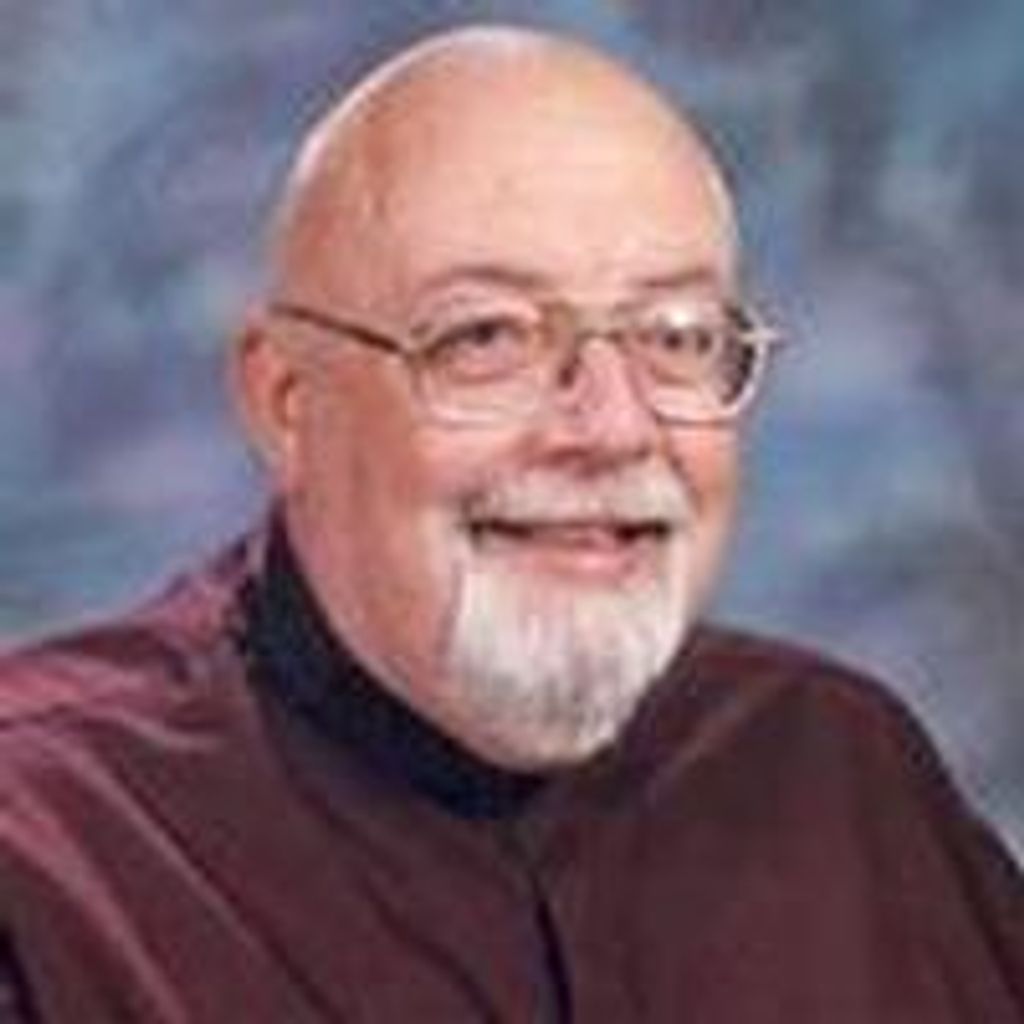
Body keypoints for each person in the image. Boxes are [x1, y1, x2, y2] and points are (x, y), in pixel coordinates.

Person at [0, 24, 1021, 1024]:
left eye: (676, 336)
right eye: (487, 337)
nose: (613, 428)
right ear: (288, 401)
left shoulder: (841, 771)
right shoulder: (39, 844)